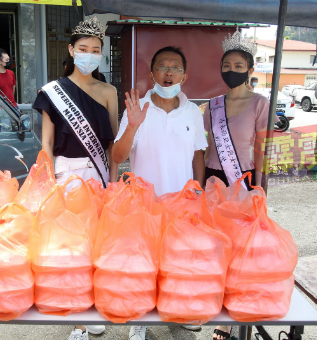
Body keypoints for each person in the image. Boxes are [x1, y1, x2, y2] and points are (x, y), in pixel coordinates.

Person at [32, 17, 118, 340]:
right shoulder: (52, 92)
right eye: (83, 48)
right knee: (71, 249)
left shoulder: (108, 92)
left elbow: (110, 148)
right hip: (65, 176)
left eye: (95, 50)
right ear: (71, 50)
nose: (89, 54)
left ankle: (97, 307)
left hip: (98, 178)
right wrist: (49, 183)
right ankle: (80, 321)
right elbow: (47, 144)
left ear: (101, 54)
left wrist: (113, 184)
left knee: (98, 246)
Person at [113, 46, 208, 199]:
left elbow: (197, 155)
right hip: (146, 206)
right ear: (151, 77)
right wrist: (132, 127)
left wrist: (198, 191)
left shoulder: (192, 111)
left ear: (184, 78)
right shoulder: (137, 110)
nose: (169, 72)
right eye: (162, 66)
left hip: (183, 203)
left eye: (176, 68)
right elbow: (118, 157)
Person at [203, 30, 269, 198]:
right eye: (227, 66)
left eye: (238, 66)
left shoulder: (260, 103)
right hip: (212, 175)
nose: (231, 70)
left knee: (242, 222)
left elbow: (261, 149)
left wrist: (261, 184)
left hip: (244, 175)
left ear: (250, 70)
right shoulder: (213, 104)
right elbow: (209, 144)